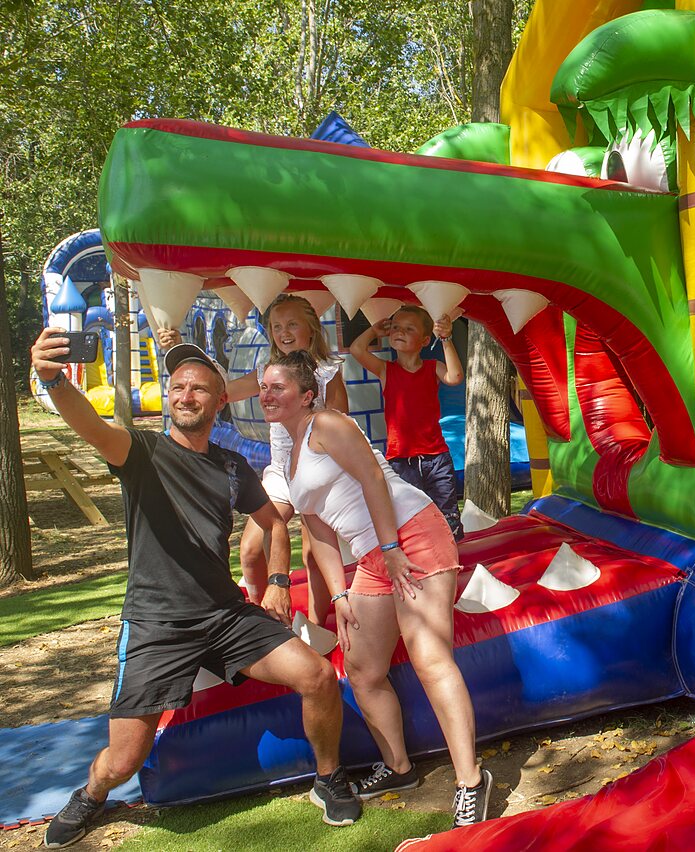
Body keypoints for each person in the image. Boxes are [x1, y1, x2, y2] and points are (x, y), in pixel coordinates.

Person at [29, 331, 361, 848]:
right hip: (157, 624)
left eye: (199, 389)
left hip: (226, 615)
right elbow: (90, 426)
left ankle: (328, 777)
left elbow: (274, 524)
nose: (185, 395)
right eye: (178, 386)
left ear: (220, 400)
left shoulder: (231, 467)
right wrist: (52, 379)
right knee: (122, 761)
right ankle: (91, 795)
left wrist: (277, 582)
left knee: (317, 676)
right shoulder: (140, 451)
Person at [260, 349, 491, 828]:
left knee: (429, 658)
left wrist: (389, 546)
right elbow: (318, 530)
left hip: (411, 532)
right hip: (374, 555)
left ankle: (471, 780)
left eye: (276, 386)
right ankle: (399, 768)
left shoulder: (329, 424)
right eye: (263, 386)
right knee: (363, 669)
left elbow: (373, 480)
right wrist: (340, 595)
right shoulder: (290, 450)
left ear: (306, 396)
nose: (265, 394)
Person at [157, 293, 349, 622]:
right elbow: (221, 392)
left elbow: (340, 424)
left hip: (317, 470)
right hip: (280, 471)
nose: (283, 332)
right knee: (249, 550)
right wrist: (181, 351)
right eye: (276, 326)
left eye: (292, 325)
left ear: (311, 329)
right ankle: (261, 622)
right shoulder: (266, 371)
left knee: (313, 554)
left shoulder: (328, 371)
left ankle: (318, 625)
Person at [349, 306, 465, 541]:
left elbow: (455, 377)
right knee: (410, 518)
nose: (399, 332)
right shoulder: (386, 370)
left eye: (408, 329)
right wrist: (374, 329)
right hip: (401, 461)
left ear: (424, 340)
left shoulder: (433, 368)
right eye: (396, 328)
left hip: (436, 458)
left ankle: (453, 558)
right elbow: (357, 349)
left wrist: (446, 339)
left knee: (447, 515)